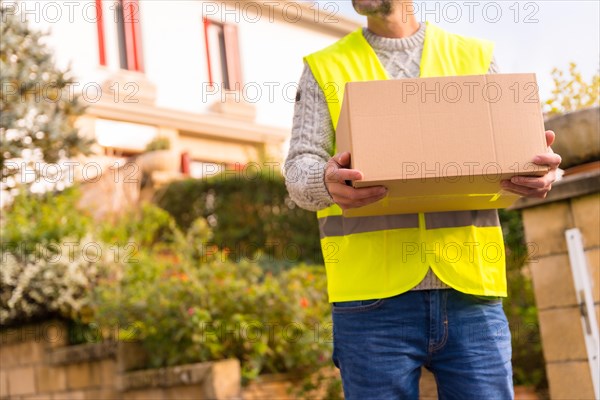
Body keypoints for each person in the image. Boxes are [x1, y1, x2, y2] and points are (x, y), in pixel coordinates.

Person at [284, 0, 561, 399]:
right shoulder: (324, 67)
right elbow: (298, 171)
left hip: (471, 294)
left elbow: (521, 150)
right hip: (370, 303)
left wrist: (544, 172)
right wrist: (325, 182)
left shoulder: (474, 56)